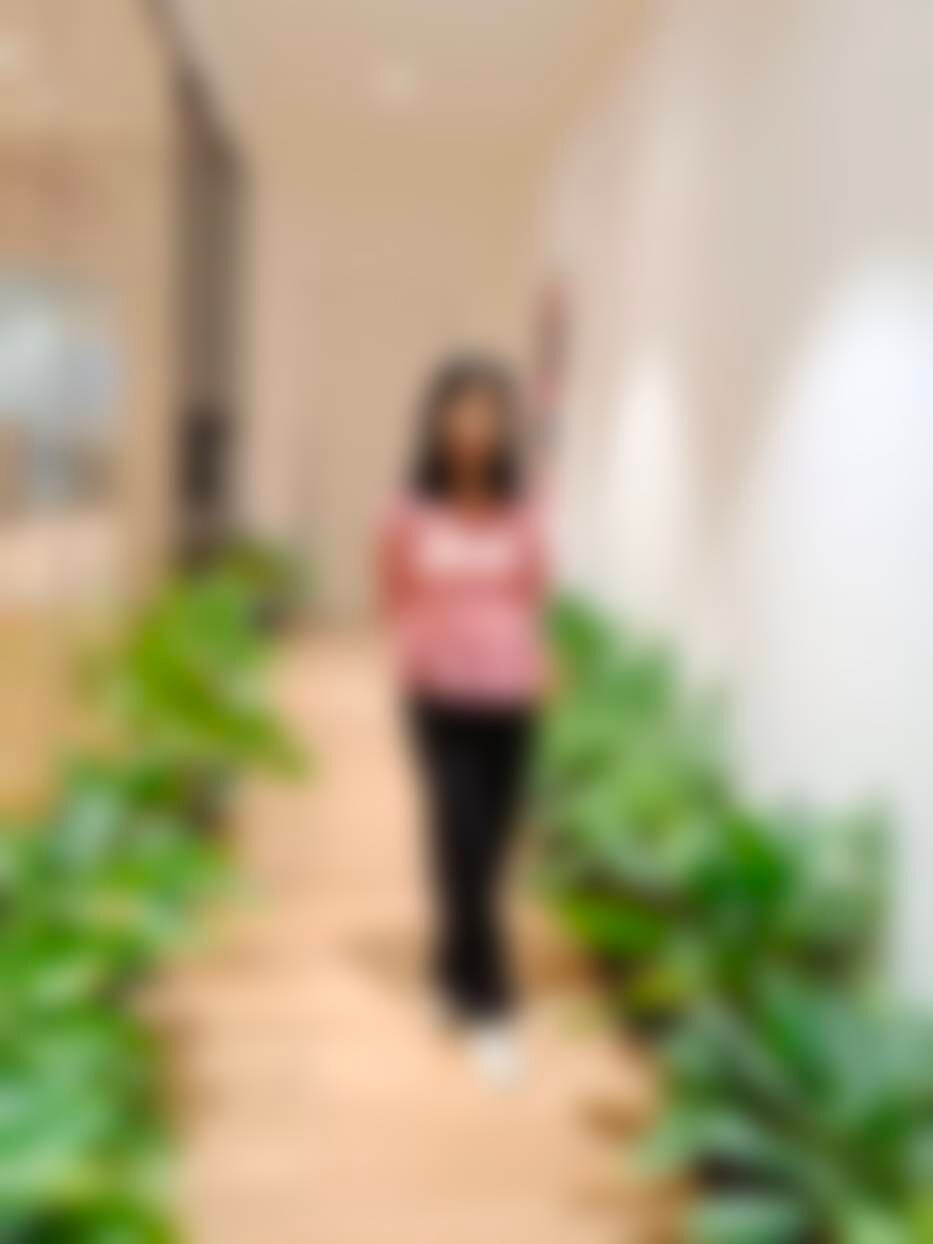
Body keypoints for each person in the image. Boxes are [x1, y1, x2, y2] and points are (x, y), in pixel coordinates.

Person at [377, 355, 549, 1085]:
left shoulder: (524, 508)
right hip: (436, 698)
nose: (474, 426)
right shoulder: (408, 512)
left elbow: (531, 589)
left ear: (504, 426)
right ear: (438, 423)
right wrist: (425, 651)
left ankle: (450, 971)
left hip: (511, 697)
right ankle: (494, 1008)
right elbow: (393, 590)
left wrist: (509, 650)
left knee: (491, 850)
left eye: (488, 413)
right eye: (461, 411)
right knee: (461, 841)